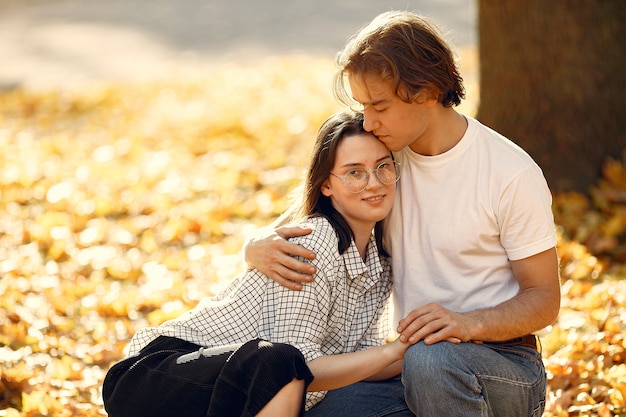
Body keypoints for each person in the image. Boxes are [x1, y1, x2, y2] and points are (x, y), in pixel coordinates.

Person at [244, 11, 561, 417]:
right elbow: (319, 212)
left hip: (504, 368)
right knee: (318, 406)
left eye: (380, 106)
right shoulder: (384, 162)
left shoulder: (509, 172)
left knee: (432, 361)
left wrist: (467, 324)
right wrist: (253, 246)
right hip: (406, 365)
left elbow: (544, 300)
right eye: (363, 107)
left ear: (427, 91)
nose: (369, 122)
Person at [102, 111, 411, 417]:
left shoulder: (379, 264)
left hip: (238, 394)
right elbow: (301, 365)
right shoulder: (315, 240)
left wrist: (420, 346)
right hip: (160, 377)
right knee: (281, 361)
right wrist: (391, 351)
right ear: (326, 185)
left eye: (383, 167)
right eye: (354, 172)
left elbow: (362, 363)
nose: (374, 183)